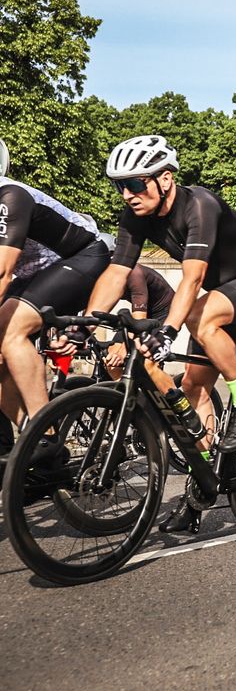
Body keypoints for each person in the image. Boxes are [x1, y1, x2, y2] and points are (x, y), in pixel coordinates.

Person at [72, 135, 236, 532]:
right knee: (192, 387)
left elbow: (192, 279)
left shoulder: (200, 205)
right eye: (119, 185)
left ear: (166, 178)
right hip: (225, 297)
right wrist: (88, 321)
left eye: (136, 183)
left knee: (198, 317)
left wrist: (168, 331)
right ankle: (204, 488)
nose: (127, 193)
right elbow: (118, 272)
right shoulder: (134, 217)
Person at [0, 137, 110, 460]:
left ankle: (45, 435)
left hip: (82, 256)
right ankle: (31, 436)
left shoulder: (9, 195)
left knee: (11, 328)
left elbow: (2, 272)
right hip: (37, 274)